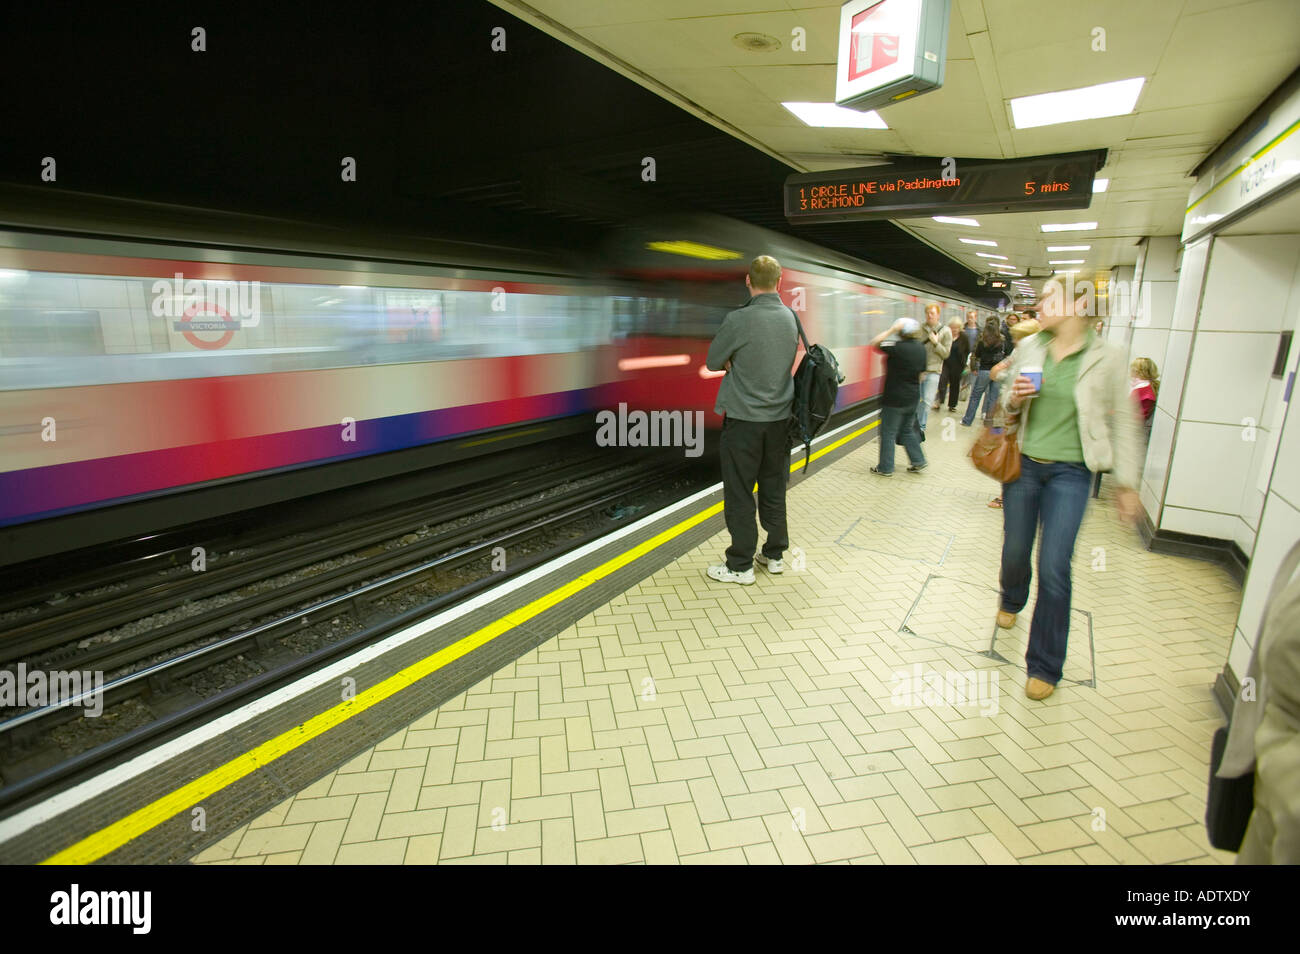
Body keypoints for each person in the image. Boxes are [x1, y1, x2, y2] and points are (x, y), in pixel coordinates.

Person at [994, 293, 1143, 701]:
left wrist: (1126, 483)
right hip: (1024, 465)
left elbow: (1127, 422)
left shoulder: (1110, 357)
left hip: (1072, 474)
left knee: (1055, 565)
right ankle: (1011, 596)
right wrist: (1016, 397)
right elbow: (1005, 402)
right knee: (1015, 549)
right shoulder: (1030, 346)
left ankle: (1044, 664)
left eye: (1050, 298)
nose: (1040, 304)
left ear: (1077, 307)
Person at [704, 255, 798, 586]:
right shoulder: (790, 318)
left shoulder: (738, 319)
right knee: (774, 487)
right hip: (780, 421)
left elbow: (714, 360)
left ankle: (740, 565)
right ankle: (773, 556)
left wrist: (734, 362)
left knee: (741, 491)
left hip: (744, 420)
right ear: (780, 280)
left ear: (748, 281)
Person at [986, 317, 1041, 510]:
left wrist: (1007, 375)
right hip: (1004, 410)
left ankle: (1006, 495)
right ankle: (1007, 491)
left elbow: (1029, 388)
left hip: (1016, 417)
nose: (1015, 342)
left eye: (1018, 338)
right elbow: (994, 372)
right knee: (1002, 449)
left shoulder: (1033, 358)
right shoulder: (1018, 353)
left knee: (1010, 453)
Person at [868, 318, 927, 476]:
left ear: (901, 332)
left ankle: (885, 467)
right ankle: (918, 460)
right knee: (907, 430)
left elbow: (874, 343)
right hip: (913, 396)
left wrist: (891, 330)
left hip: (894, 398)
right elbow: (922, 375)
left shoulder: (896, 347)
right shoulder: (922, 349)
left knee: (888, 432)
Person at [961, 317, 1006, 428]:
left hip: (984, 371)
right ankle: (989, 422)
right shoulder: (1002, 340)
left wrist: (974, 367)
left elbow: (978, 355)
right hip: (997, 371)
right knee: (993, 397)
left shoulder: (982, 341)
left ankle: (967, 420)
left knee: (976, 396)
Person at [919, 304, 952, 430]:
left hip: (934, 370)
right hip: (919, 370)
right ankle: (916, 425)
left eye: (932, 313)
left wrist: (935, 343)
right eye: (927, 313)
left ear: (938, 315)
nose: (929, 315)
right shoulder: (920, 329)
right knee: (918, 401)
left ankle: (921, 427)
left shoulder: (946, 331)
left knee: (927, 401)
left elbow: (946, 353)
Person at [937, 317, 970, 412]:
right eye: (951, 327)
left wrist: (964, 362)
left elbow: (967, 350)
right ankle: (940, 400)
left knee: (954, 385)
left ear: (959, 328)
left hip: (958, 364)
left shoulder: (964, 337)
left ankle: (952, 405)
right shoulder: (946, 335)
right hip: (945, 362)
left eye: (956, 327)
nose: (953, 330)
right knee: (942, 382)